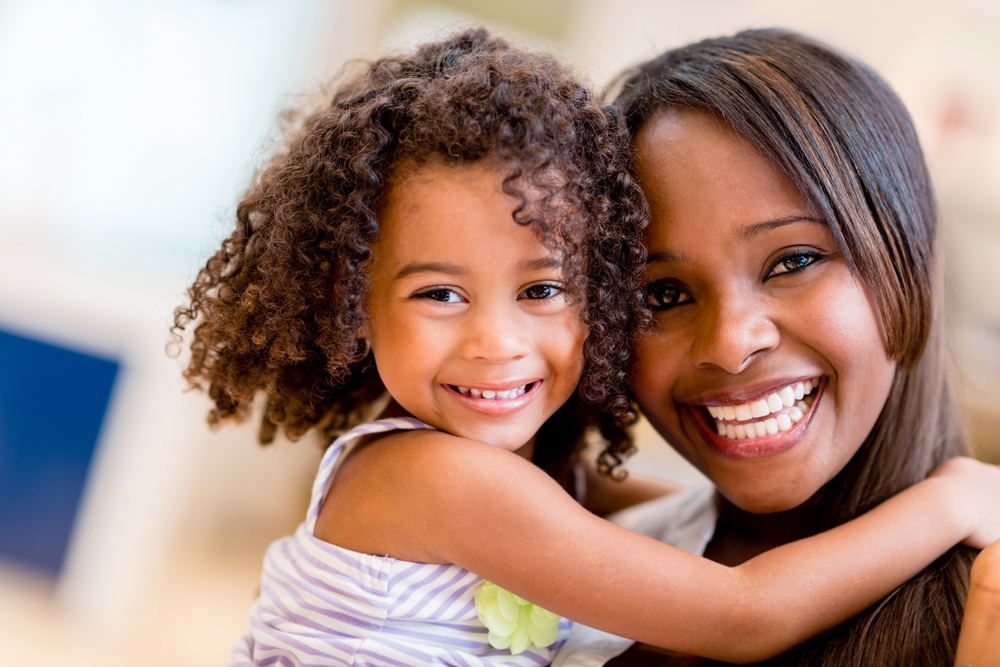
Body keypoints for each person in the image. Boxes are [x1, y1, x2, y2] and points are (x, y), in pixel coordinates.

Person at [173, 29, 1000, 667]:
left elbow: (617, 511)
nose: (496, 340)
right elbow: (742, 611)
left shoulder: (521, 486)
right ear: (351, 302)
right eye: (438, 293)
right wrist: (952, 501)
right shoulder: (433, 478)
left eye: (541, 290)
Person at [554, 28, 1000, 666]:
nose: (731, 345)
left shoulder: (984, 602)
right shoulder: (582, 571)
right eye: (662, 296)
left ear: (909, 257)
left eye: (793, 260)